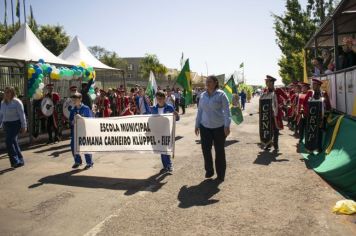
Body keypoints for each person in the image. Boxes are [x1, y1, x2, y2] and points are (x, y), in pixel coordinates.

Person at [195, 75, 231, 182]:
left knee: (219, 151)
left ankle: (221, 174)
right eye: (207, 82)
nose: (207, 83)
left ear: (215, 83)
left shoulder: (221, 95)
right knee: (205, 150)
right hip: (205, 127)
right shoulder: (202, 96)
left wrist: (227, 125)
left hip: (219, 127)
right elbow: (200, 111)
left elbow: (226, 112)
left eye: (209, 81)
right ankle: (209, 170)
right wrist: (197, 125)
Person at [151, 91, 179, 173]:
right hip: (158, 132)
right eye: (157, 98)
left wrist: (176, 115)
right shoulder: (153, 108)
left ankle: (169, 165)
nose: (159, 100)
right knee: (161, 150)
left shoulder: (169, 107)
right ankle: (165, 166)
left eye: (160, 98)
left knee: (166, 149)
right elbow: (150, 120)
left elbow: (177, 119)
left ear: (164, 99)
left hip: (167, 131)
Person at [0, 87, 27, 168]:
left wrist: (24, 126)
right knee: (13, 142)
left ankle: (15, 161)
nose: (7, 94)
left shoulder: (17, 102)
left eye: (8, 92)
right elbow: (1, 115)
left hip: (15, 124)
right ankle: (21, 160)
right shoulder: (3, 103)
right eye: (5, 92)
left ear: (12, 93)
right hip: (6, 125)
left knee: (8, 141)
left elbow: (22, 115)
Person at [262, 75, 289, 152]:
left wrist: (282, 105)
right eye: (266, 81)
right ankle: (268, 144)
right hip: (267, 114)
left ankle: (276, 145)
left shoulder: (278, 90)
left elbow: (287, 98)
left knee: (276, 130)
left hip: (276, 114)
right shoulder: (265, 91)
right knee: (267, 129)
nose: (266, 83)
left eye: (267, 81)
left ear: (272, 82)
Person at [69, 92, 94, 169]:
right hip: (75, 131)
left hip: (84, 131)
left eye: (76, 99)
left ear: (80, 99)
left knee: (85, 146)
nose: (74, 101)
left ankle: (89, 163)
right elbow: (70, 120)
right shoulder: (73, 110)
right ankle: (78, 161)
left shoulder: (86, 108)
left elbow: (90, 120)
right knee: (73, 146)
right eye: (73, 100)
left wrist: (81, 118)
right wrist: (72, 122)